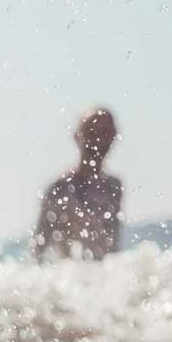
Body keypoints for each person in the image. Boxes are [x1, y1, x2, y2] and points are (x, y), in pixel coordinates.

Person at [32, 108, 123, 262]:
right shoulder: (60, 189)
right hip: (69, 280)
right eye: (92, 132)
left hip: (106, 279)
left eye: (106, 133)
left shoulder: (113, 187)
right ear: (78, 136)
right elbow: (38, 250)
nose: (99, 140)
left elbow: (111, 249)